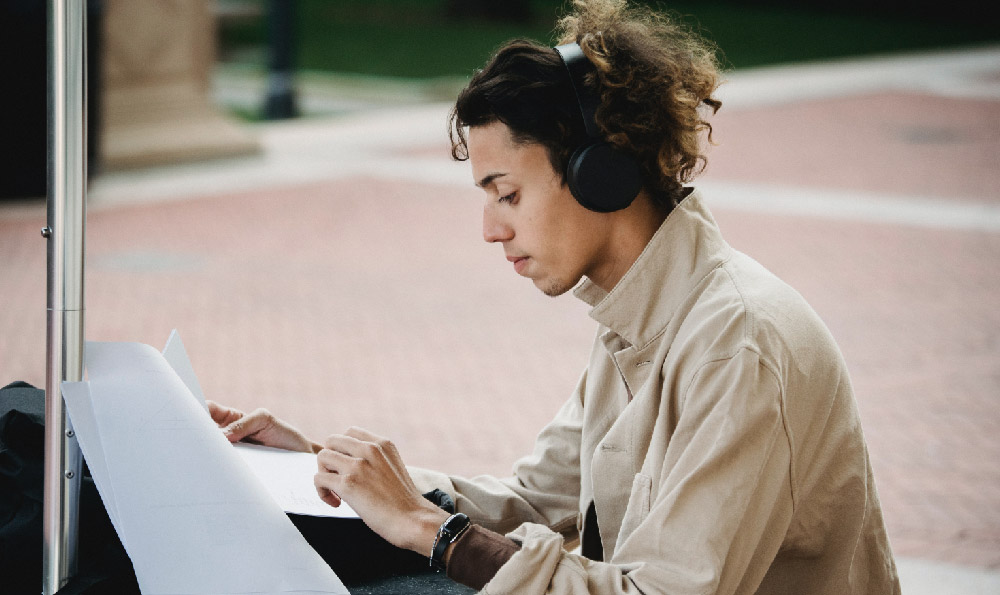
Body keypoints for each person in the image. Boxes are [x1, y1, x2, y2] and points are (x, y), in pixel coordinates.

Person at [208, 1, 901, 592]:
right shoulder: (639, 316)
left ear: (601, 174)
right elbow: (532, 500)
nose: (489, 229)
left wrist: (430, 530)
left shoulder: (736, 344)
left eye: (508, 193)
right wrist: (331, 473)